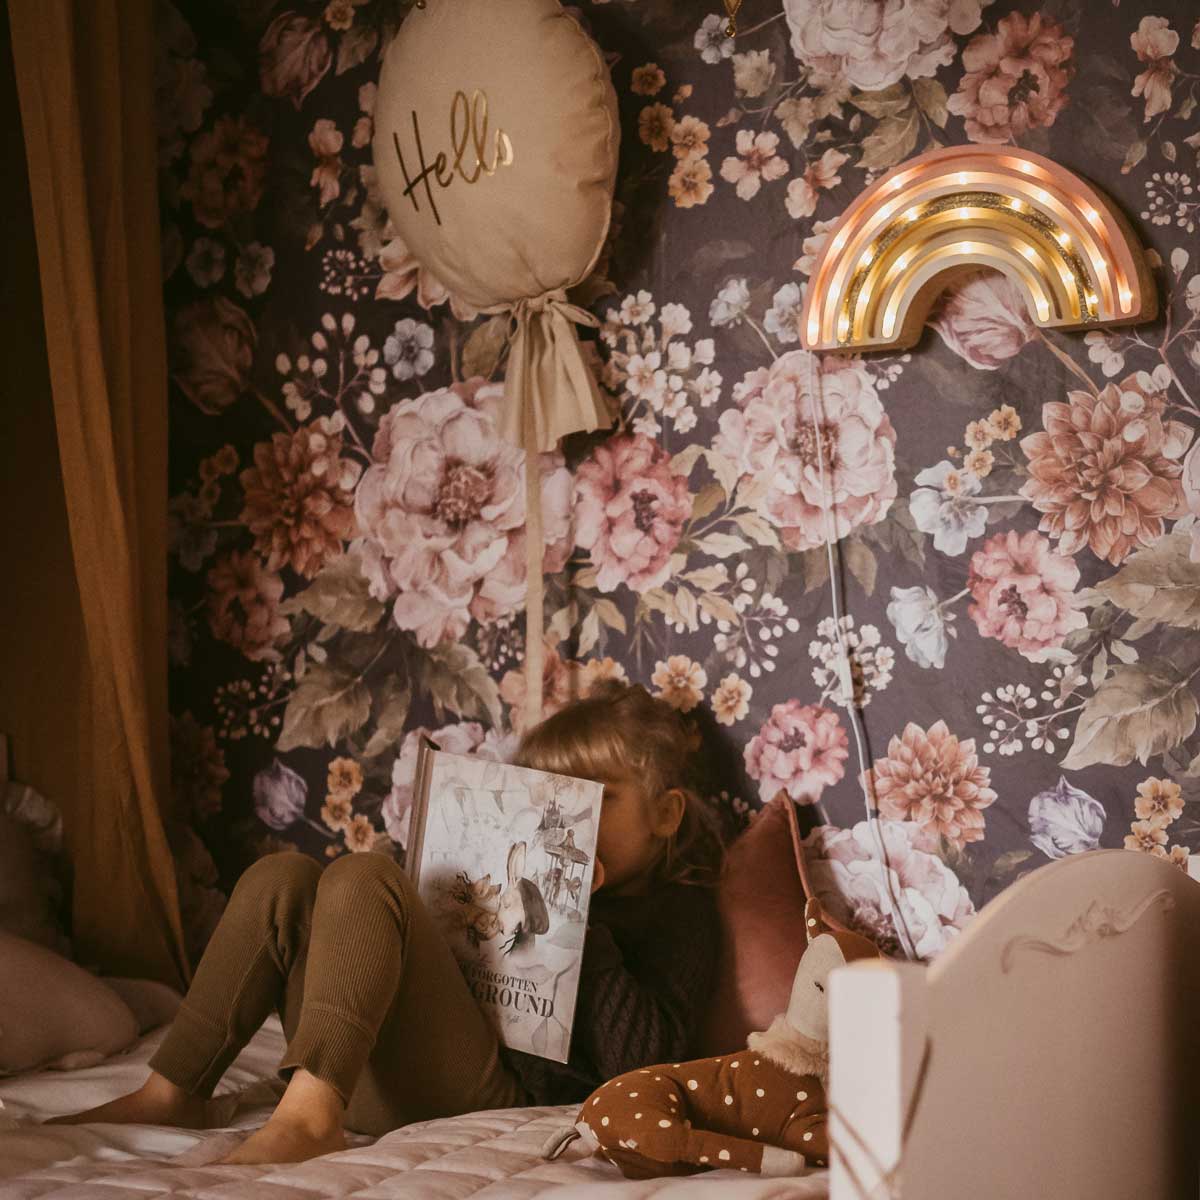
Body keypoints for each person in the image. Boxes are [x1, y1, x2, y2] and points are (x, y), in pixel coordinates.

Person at [48, 680, 725, 1165]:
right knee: (285, 878)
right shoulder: (515, 866)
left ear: (665, 815)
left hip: (492, 1089)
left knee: (366, 876)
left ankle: (311, 1118)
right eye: (555, 802)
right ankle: (173, 1090)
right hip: (367, 1061)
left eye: (598, 800)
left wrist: (573, 919)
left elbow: (647, 1063)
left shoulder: (681, 911)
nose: (568, 823)